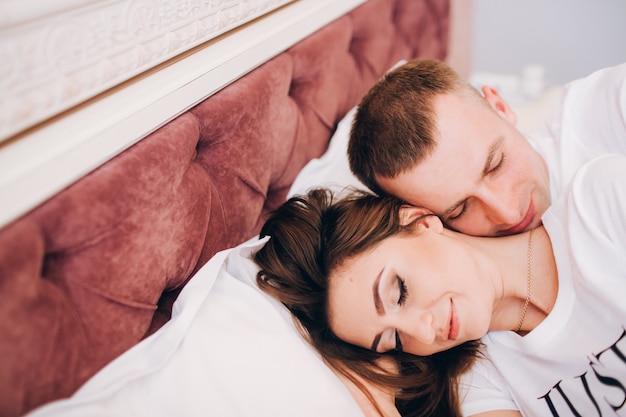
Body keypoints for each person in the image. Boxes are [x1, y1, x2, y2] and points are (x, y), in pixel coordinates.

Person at [253, 154, 626, 416]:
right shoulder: (475, 382)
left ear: (419, 221)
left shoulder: (600, 206)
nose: (421, 332)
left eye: (398, 292)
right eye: (394, 341)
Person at [348, 59, 626, 237]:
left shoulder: (607, 108)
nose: (508, 214)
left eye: (496, 165)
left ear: (501, 107)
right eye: (459, 211)